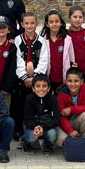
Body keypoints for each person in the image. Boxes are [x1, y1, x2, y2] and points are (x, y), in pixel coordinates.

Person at [13, 12, 49, 140]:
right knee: (20, 105)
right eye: (26, 23)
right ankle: (19, 130)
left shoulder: (41, 41)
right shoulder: (18, 40)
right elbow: (17, 60)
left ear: (36, 24)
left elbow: (44, 60)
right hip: (21, 81)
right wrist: (24, 77)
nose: (29, 26)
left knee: (35, 105)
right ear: (22, 24)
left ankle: (35, 129)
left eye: (32, 23)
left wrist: (35, 78)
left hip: (37, 81)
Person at [21, 74, 59, 155]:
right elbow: (27, 119)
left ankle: (47, 145)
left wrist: (43, 127)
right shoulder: (29, 98)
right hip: (33, 128)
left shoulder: (52, 99)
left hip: (46, 126)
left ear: (48, 88)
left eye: (44, 86)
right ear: (33, 88)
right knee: (30, 136)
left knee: (53, 134)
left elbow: (56, 119)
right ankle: (26, 143)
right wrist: (35, 127)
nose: (41, 89)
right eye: (38, 86)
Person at [55, 67, 85, 147]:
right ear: (66, 82)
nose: (73, 84)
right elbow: (62, 117)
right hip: (64, 123)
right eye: (70, 81)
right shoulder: (61, 94)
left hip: (77, 121)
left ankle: (84, 141)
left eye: (76, 81)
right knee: (62, 141)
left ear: (82, 82)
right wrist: (70, 131)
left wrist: (71, 109)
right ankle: (72, 143)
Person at [41, 10, 74, 92]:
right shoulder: (42, 40)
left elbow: (72, 59)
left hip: (62, 78)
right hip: (48, 77)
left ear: (61, 23)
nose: (54, 24)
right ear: (47, 24)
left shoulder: (67, 40)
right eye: (51, 22)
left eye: (57, 21)